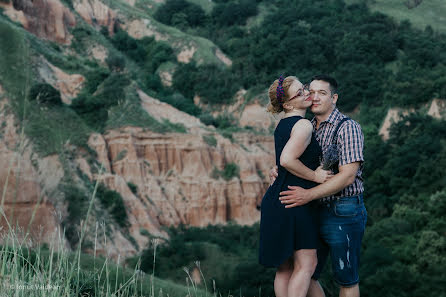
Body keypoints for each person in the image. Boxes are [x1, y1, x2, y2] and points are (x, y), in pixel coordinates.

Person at [271, 74, 367, 297]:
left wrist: (308, 194)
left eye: (321, 93)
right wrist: (277, 169)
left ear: (334, 98)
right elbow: (293, 160)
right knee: (306, 271)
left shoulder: (347, 127)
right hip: (312, 210)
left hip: (343, 209)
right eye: (310, 91)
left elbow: (347, 177)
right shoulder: (306, 125)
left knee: (346, 278)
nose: (314, 97)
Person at [259, 75, 332, 297]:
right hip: (296, 201)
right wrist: (315, 176)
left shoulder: (282, 125)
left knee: (285, 268)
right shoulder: (303, 125)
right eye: (300, 92)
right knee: (307, 264)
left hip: (277, 200)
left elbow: (282, 161)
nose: (307, 93)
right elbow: (287, 160)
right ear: (288, 104)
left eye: (305, 88)